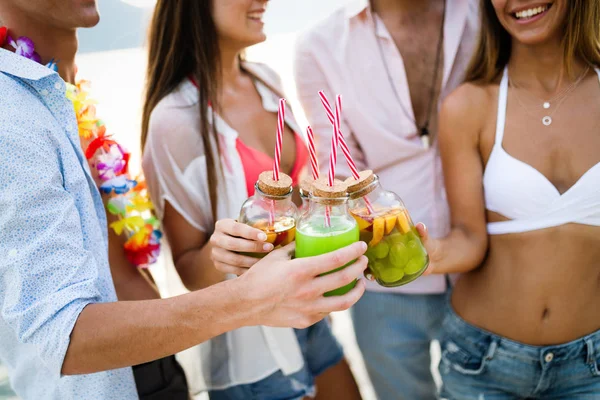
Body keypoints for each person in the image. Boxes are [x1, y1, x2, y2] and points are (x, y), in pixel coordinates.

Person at [0, 0, 369, 398]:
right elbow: (62, 333)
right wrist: (248, 294)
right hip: (168, 364)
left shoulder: (58, 96)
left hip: (171, 357)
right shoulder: (15, 117)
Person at [141, 1, 362, 399]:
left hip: (308, 314)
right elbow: (190, 270)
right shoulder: (174, 119)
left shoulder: (267, 81)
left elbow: (297, 197)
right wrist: (223, 249)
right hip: (251, 352)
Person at [293, 0, 478, 398]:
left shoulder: (486, 14)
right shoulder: (318, 45)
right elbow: (336, 166)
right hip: (382, 283)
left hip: (486, 270)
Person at [420, 0, 600, 397]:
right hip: (482, 363)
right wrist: (423, 251)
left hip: (592, 366)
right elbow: (469, 239)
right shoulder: (468, 105)